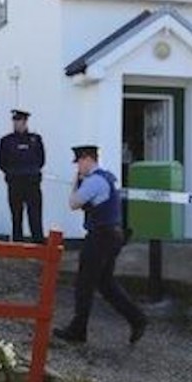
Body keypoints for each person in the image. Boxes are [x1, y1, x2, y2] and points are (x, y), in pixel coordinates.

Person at [53, 144, 147, 345]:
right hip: (110, 235)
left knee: (84, 283)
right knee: (105, 284)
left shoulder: (94, 181)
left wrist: (76, 182)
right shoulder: (105, 177)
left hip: (101, 236)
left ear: (88, 159)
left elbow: (74, 203)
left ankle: (78, 330)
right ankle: (137, 319)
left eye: (79, 162)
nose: (78, 166)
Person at [0, 109, 45, 243]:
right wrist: (13, 173)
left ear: (25, 122)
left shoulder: (35, 139)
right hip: (15, 183)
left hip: (32, 183)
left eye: (19, 121)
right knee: (16, 215)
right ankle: (18, 243)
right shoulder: (6, 141)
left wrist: (30, 171)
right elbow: (1, 162)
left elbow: (41, 160)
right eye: (15, 121)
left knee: (35, 215)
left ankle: (38, 244)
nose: (16, 124)